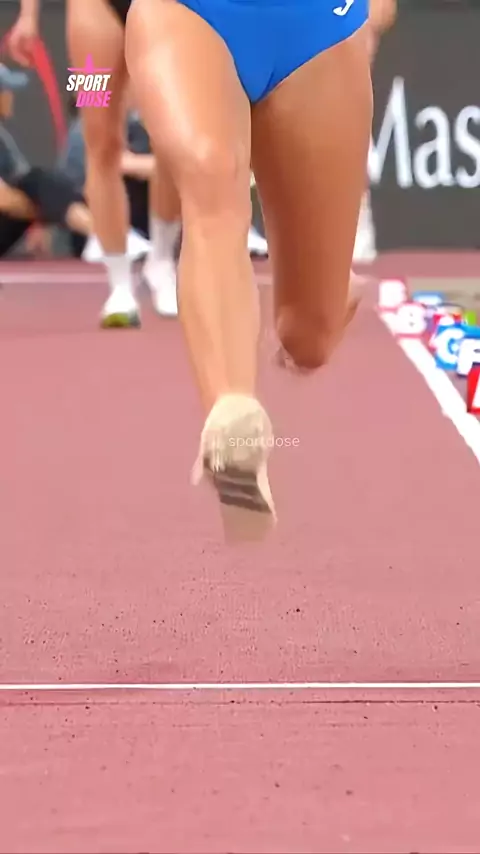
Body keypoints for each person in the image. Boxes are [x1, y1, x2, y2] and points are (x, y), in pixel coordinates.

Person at [124, 0, 372, 541]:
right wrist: (89, 91)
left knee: (308, 338)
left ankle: (332, 289)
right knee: (204, 171)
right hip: (184, 14)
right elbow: (87, 87)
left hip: (315, 25)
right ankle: (232, 417)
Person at [8, 0, 181, 326]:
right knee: (99, 140)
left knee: (170, 138)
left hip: (162, 8)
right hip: (93, 10)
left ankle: (160, 261)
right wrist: (28, 16)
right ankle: (119, 284)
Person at [0, 64, 94, 258]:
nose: (11, 96)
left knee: (37, 182)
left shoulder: (3, 140)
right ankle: (104, 236)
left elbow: (26, 185)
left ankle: (103, 234)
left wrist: (49, 208)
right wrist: (51, 208)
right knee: (40, 184)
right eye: (6, 90)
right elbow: (5, 200)